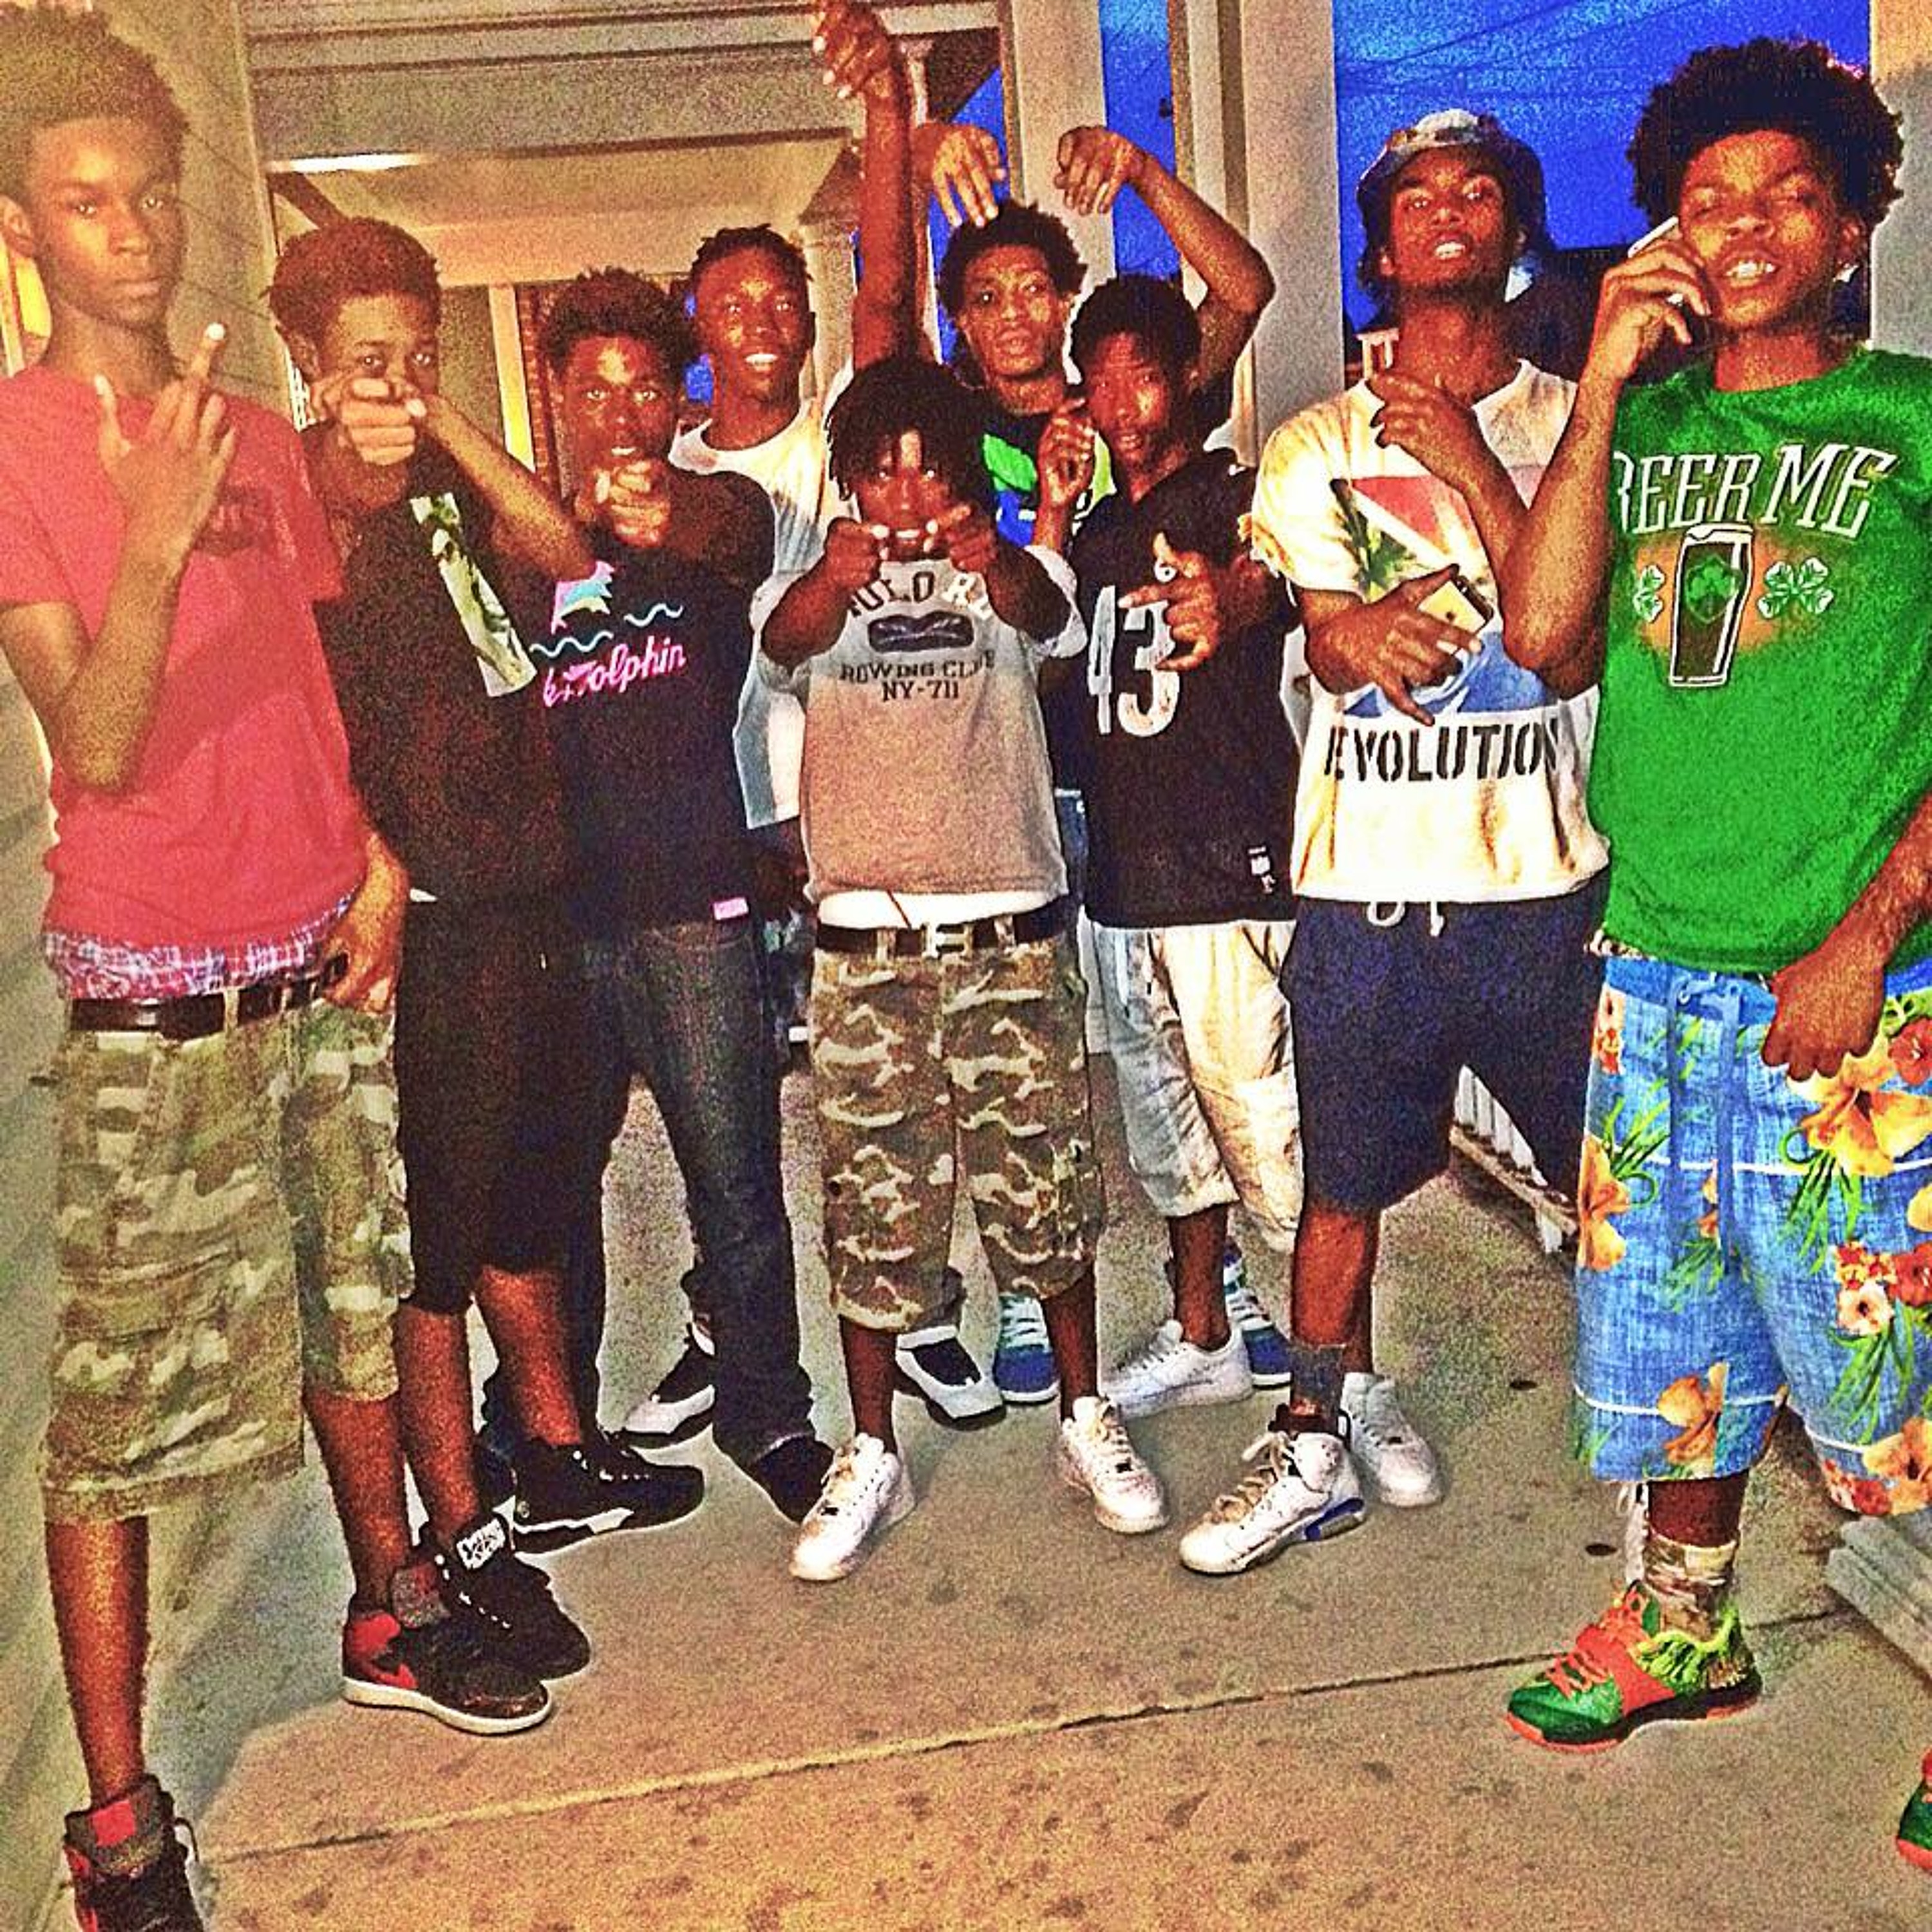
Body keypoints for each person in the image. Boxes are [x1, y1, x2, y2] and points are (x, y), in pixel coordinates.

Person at [0, 20, 545, 1931]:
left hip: (318, 962)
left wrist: (372, 846)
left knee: (355, 1313)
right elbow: (97, 743)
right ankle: (119, 1824)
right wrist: (148, 543)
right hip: (153, 998)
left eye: (152, 196)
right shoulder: (19, 446)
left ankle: (392, 1605)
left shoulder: (246, 430)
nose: (135, 233)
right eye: (89, 204)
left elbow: (309, 682)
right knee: (114, 1427)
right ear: (23, 231)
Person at [1492, 41, 1932, 1861]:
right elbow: (1543, 638)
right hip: (1657, 971)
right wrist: (1601, 380)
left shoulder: (1910, 420)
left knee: (1891, 1371)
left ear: (1854, 225)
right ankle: (1685, 1632)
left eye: (1789, 197)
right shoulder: (1648, 423)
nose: (1746, 229)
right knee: (1673, 1338)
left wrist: (1872, 930)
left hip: (1856, 994)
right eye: (1709, 198)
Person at [269, 219, 705, 1661]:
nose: (393, 383)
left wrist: (439, 418)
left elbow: (563, 552)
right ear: (307, 363)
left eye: (417, 351)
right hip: (433, 913)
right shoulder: (303, 495)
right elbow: (305, 635)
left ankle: (556, 1450)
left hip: (532, 883)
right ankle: (462, 1530)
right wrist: (364, 438)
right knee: (433, 1244)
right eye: (365, 359)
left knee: (538, 1191)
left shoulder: (450, 476)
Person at [1184, 108, 1607, 1575]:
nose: (1447, 212)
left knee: (1612, 1187)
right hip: (1364, 893)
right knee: (1341, 1190)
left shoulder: (1578, 422)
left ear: (1516, 233)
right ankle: (1314, 1436)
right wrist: (1345, 630)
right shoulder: (1316, 443)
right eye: (1417, 197)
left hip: (1541, 890)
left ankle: (1668, 1457)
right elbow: (1318, 628)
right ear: (1380, 253)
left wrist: (1470, 460)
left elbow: (1569, 650)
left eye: (1479, 190)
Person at [621, 1, 1007, 1443]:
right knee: (725, 1105)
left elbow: (890, 289)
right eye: (729, 307)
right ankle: (724, 1328)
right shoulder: (661, 469)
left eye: (779, 299)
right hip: (721, 820)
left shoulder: (853, 429)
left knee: (900, 1077)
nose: (760, 324)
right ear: (700, 330)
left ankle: (928, 1312)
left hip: (863, 812)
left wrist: (888, 110)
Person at [759, 355, 1167, 1580]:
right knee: (873, 1210)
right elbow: (783, 644)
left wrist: (1002, 562)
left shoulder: (1015, 573)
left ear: (962, 478)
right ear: (850, 481)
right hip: (865, 958)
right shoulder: (809, 584)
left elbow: (1051, 628)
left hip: (1010, 942)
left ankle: (1083, 1415)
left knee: (1049, 1196)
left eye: (928, 469)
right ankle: (870, 1448)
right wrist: (831, 581)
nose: (906, 492)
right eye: (882, 471)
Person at [926, 131, 1290, 1405]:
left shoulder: (1131, 401)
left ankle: (1225, 1289)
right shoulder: (952, 429)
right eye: (985, 295)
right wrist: (903, 139)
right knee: (1030, 1053)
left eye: (1036, 287)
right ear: (963, 323)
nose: (1013, 313)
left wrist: (1139, 172)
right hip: (1013, 781)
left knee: (1198, 1054)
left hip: (1152, 785)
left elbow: (1241, 290)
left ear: (1069, 303)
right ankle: (1036, 1292)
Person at [531, 263, 835, 1522]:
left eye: (647, 389)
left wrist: (663, 509)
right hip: (557, 918)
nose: (621, 416)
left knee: (736, 1179)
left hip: (694, 902)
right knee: (553, 1189)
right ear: (557, 399)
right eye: (595, 390)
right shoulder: (519, 543)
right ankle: (552, 1430)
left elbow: (727, 528)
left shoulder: (722, 514)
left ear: (678, 399)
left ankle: (769, 1413)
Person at [1033, 274, 1302, 1421]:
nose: (1122, 403)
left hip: (1228, 870)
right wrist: (1052, 515)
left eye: (1143, 374)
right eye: (1099, 382)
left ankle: (1341, 1375)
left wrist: (1241, 593)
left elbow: (1277, 578)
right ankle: (1204, 1334)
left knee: (1275, 1142)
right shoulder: (1095, 536)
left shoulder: (1233, 498)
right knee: (1171, 1145)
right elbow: (1039, 648)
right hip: (1125, 883)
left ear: (1188, 376)